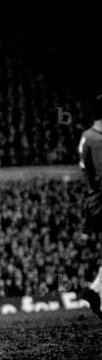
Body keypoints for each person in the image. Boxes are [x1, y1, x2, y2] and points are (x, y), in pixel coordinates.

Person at [77, 93, 102, 320]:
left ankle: (95, 291)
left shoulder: (86, 137)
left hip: (94, 200)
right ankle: (95, 291)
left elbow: (87, 174)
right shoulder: (96, 140)